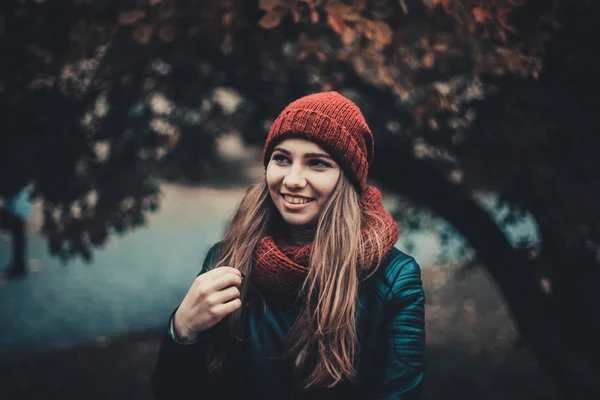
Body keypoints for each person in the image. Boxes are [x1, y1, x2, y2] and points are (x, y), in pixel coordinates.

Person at [152, 92, 426, 399]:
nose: (293, 179)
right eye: (281, 159)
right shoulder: (227, 259)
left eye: (317, 163)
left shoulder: (393, 280)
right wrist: (183, 330)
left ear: (346, 179)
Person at [0, 187, 31, 278]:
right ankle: (19, 266)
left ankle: (19, 266)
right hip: (19, 209)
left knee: (18, 238)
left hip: (17, 209)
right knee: (19, 238)